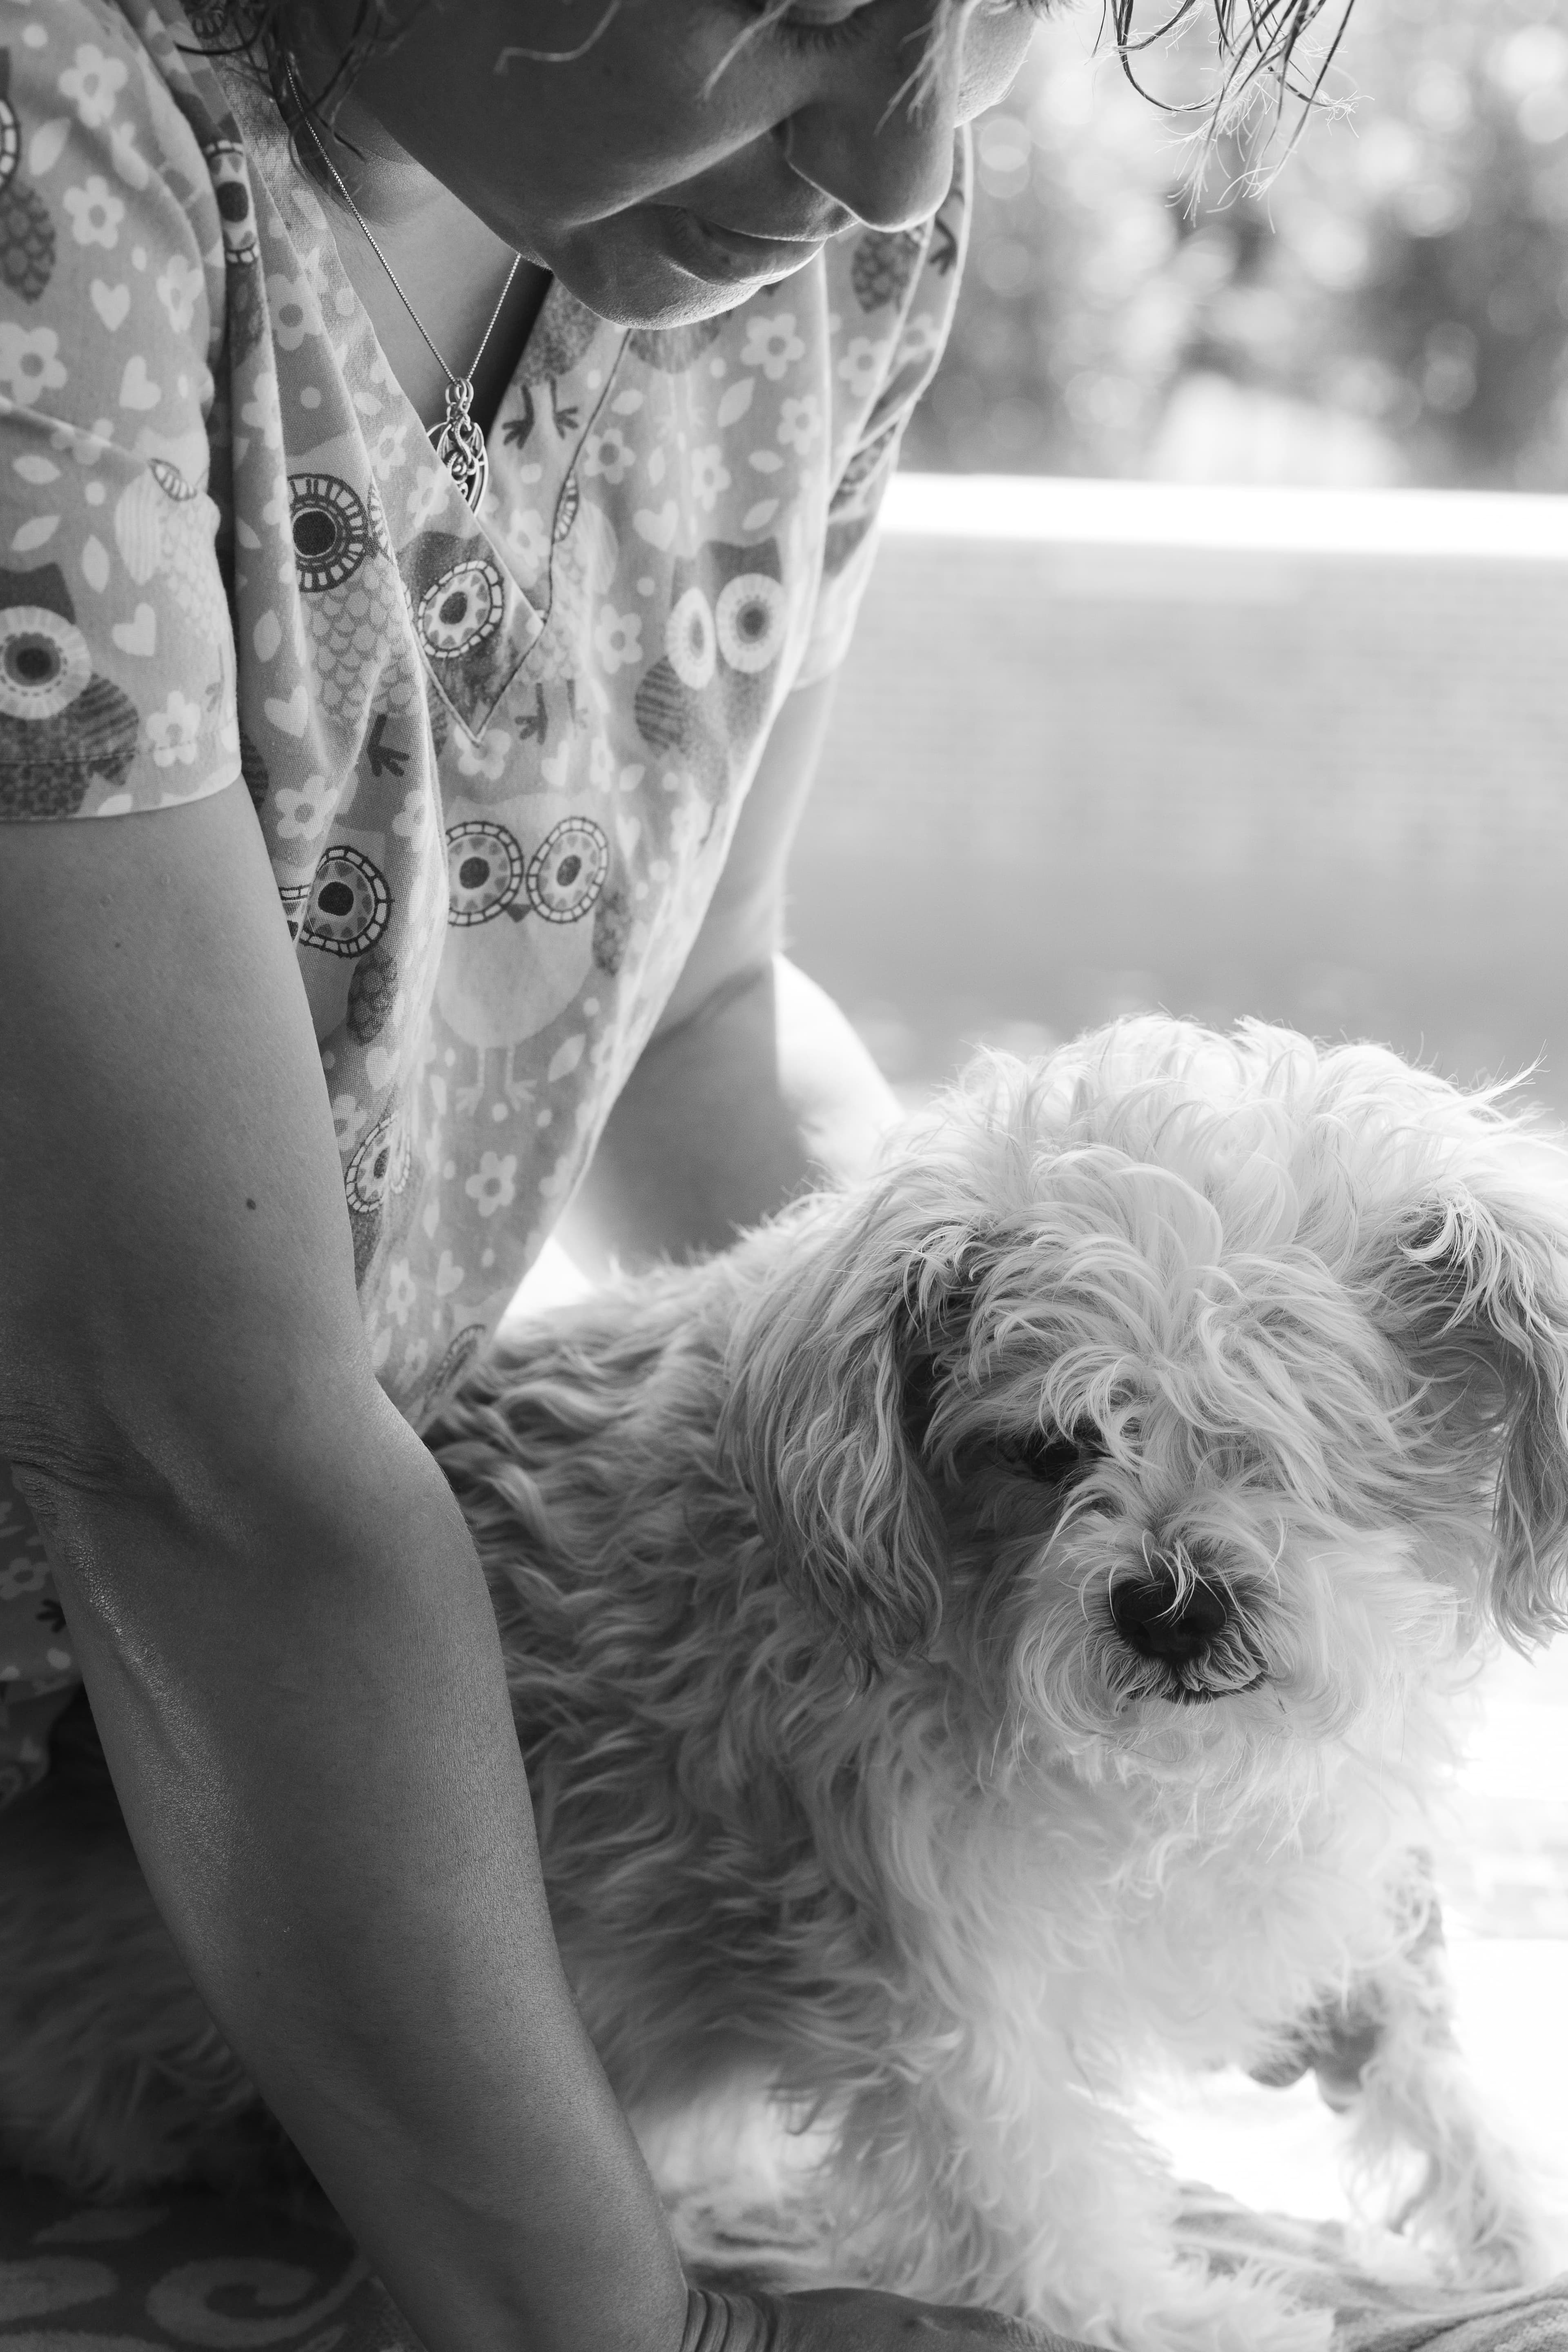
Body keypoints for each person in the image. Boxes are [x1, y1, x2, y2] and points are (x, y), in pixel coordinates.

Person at [0, 4, 1321, 2350]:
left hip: (210, 1751)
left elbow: (687, 1018)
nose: (905, 169)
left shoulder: (798, 256)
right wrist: (646, 2324)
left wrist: (995, 1384)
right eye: (810, 3)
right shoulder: (57, 153)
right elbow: (189, 1456)